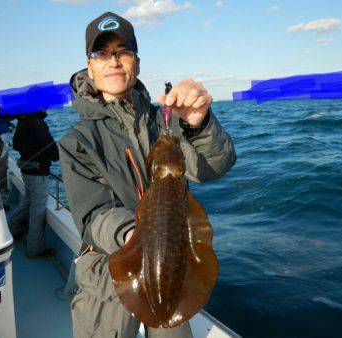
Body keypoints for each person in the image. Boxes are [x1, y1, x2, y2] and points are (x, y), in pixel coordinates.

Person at [58, 11, 236, 338]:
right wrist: (138, 236)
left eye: (122, 52)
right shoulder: (76, 141)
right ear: (90, 65)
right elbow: (93, 214)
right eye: (102, 53)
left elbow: (214, 165)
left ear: (136, 62)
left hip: (173, 265)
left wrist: (198, 124)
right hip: (108, 273)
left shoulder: (166, 123)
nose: (113, 61)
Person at [8, 110, 59, 259]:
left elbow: (16, 145)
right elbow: (53, 152)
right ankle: (35, 249)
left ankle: (11, 229)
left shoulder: (22, 121)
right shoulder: (39, 123)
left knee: (27, 200)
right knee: (37, 210)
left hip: (26, 169)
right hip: (38, 172)